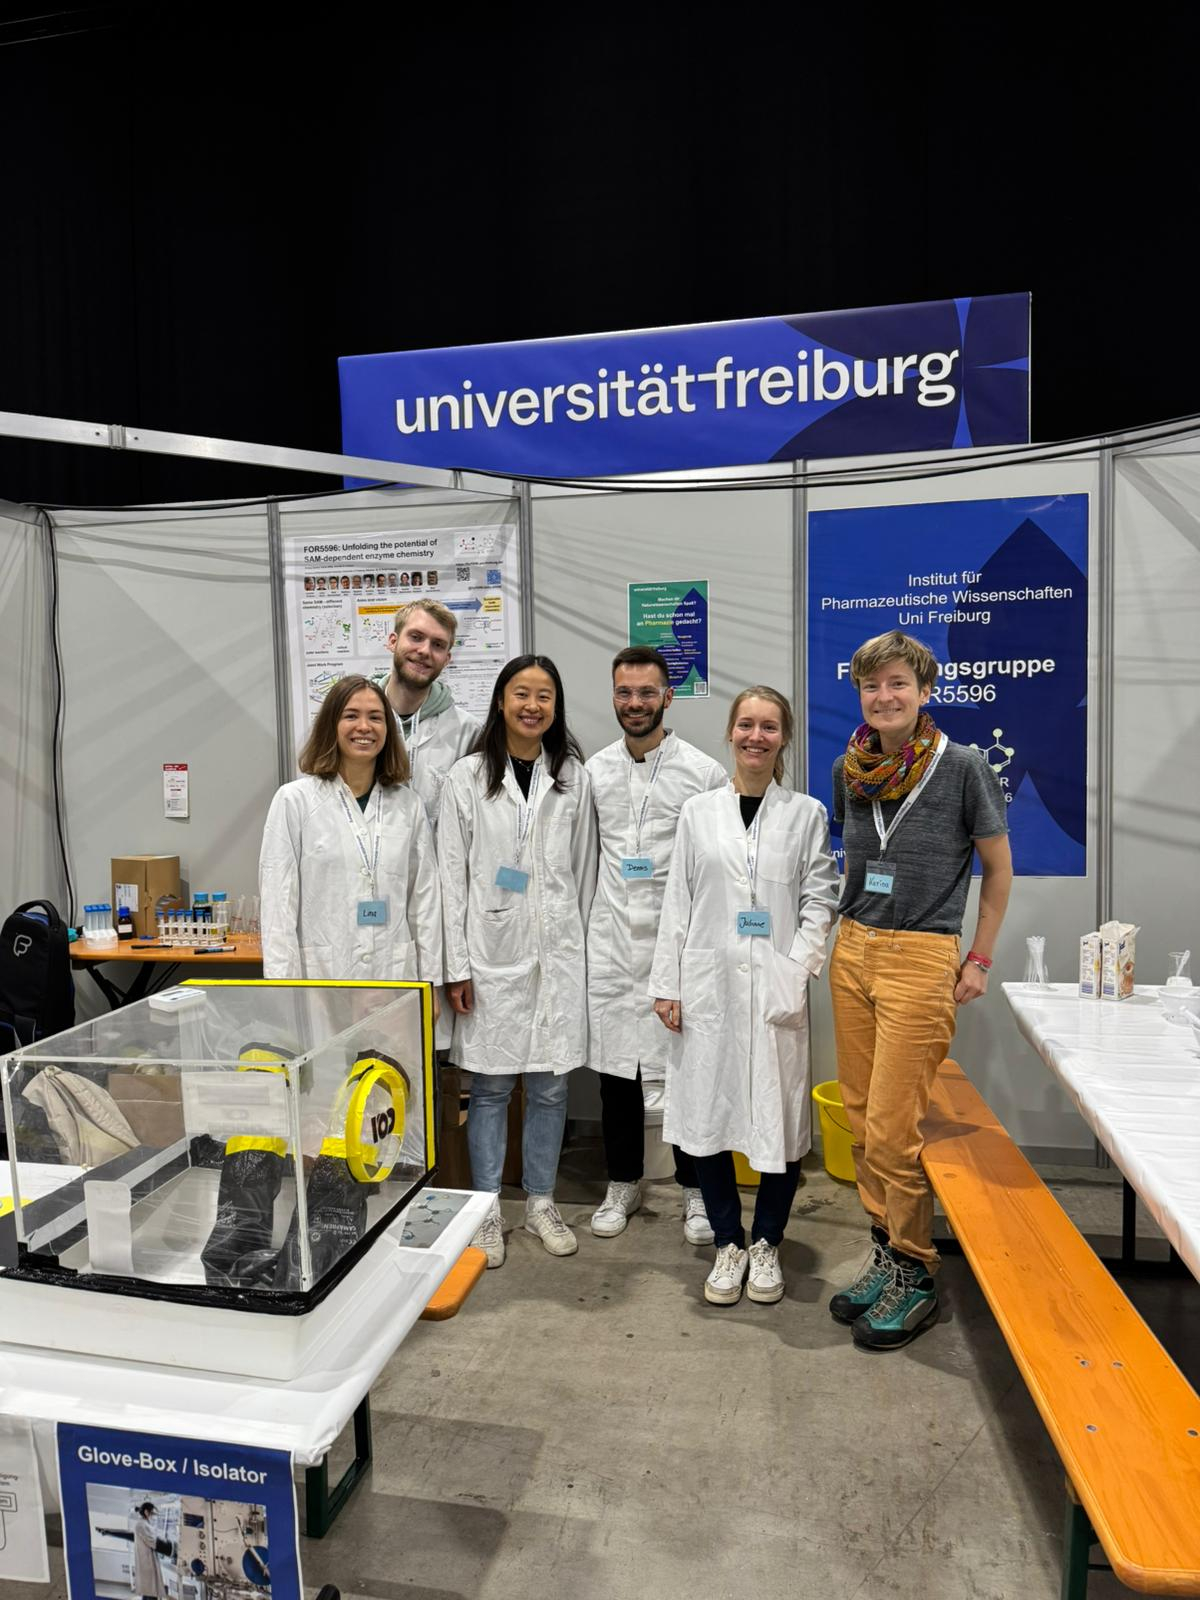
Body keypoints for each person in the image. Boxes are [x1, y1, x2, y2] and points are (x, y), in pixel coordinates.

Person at [827, 630, 1012, 1350]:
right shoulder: (851, 770)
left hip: (920, 956)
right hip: (854, 950)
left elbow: (998, 870)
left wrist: (979, 959)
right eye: (871, 685)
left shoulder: (963, 766)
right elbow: (854, 861)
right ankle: (885, 1251)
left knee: (893, 1128)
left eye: (898, 683)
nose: (884, 697)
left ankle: (916, 1270)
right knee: (860, 1116)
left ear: (925, 690)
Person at [650, 687, 839, 1307]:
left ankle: (767, 1242)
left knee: (779, 1117)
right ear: (730, 733)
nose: (756, 737)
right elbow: (677, 899)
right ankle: (728, 1241)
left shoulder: (806, 814)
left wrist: (795, 970)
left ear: (784, 739)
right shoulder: (698, 812)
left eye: (769, 727)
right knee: (706, 1114)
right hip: (708, 985)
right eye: (746, 725)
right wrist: (667, 983)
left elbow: (820, 900)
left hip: (775, 986)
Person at [439, 654, 598, 1267]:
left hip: (558, 952)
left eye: (544, 696)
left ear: (556, 707)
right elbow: (452, 877)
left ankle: (540, 1201)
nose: (533, 706)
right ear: (501, 702)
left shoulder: (572, 777)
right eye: (522, 694)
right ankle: (485, 1208)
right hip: (490, 953)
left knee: (552, 1087)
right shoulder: (468, 777)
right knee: (491, 1086)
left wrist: (575, 946)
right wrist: (456, 965)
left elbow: (583, 871)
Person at [586, 646, 726, 1244]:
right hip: (613, 944)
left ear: (668, 697)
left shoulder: (703, 774)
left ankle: (696, 1189)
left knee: (687, 1072)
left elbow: (715, 872)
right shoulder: (594, 772)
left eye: (647, 692)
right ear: (613, 696)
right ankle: (623, 1182)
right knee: (617, 1073)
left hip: (677, 946)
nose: (635, 703)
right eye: (625, 692)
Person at [259, 674, 442, 987]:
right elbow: (278, 906)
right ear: (331, 724)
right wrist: (284, 991)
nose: (364, 727)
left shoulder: (408, 805)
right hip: (325, 976)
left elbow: (424, 901)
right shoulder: (294, 801)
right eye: (351, 716)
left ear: (388, 729)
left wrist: (431, 984)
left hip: (394, 975)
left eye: (376, 718)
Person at [383, 600, 481, 832]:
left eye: (438, 645)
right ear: (393, 641)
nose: (425, 651)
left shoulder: (469, 733)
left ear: (446, 659)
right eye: (416, 637)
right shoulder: (353, 723)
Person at [133, 1503, 167, 1600]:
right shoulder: (142, 1525)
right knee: (150, 1589)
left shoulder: (143, 1523)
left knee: (149, 1589)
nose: (153, 1516)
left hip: (147, 1559)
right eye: (152, 1513)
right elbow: (152, 1542)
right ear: (146, 1512)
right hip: (147, 1561)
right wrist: (164, 1542)